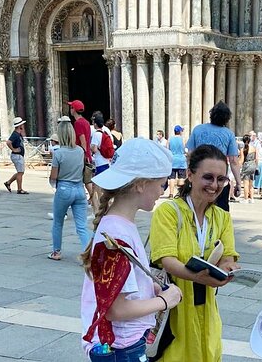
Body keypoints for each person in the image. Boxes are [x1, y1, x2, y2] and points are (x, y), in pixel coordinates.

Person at [80, 138, 183, 361]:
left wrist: (151, 286)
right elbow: (115, 309)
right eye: (161, 184)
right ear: (141, 184)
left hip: (120, 343)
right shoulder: (118, 234)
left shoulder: (118, 224)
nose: (162, 191)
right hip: (121, 346)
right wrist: (166, 301)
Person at [149, 145, 241, 362]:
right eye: (208, 177)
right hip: (174, 309)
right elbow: (167, 260)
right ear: (189, 175)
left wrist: (228, 269)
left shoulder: (222, 217)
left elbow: (228, 257)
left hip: (207, 308)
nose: (215, 185)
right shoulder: (169, 212)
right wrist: (196, 276)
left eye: (221, 179)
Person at [48, 118, 92, 261]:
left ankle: (56, 252)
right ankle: (88, 254)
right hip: (79, 189)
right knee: (82, 226)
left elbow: (54, 176)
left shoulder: (59, 153)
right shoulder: (80, 151)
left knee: (58, 222)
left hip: (64, 188)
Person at [186, 101, 241, 211]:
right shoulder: (229, 134)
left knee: (195, 210)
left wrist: (191, 174)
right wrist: (238, 183)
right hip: (219, 180)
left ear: (212, 115)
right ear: (227, 118)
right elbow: (234, 161)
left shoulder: (198, 129)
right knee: (220, 212)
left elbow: (189, 154)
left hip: (199, 177)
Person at [4, 117, 29, 194]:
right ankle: (19, 189)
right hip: (17, 155)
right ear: (19, 125)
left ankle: (8, 182)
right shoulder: (15, 134)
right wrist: (13, 149)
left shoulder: (18, 134)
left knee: (20, 172)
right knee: (20, 172)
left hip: (19, 155)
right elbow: (8, 142)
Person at [167, 125, 187, 198]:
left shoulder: (170, 139)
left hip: (172, 160)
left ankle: (171, 194)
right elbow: (185, 149)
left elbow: (167, 149)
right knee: (181, 178)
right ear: (180, 131)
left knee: (172, 178)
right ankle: (180, 193)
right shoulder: (183, 139)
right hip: (181, 160)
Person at [240, 134, 257, 203]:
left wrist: (239, 166)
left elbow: (241, 160)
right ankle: (252, 198)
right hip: (253, 165)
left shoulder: (242, 149)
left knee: (245, 184)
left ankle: (246, 198)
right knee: (251, 183)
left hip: (246, 165)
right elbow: (256, 158)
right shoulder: (253, 148)